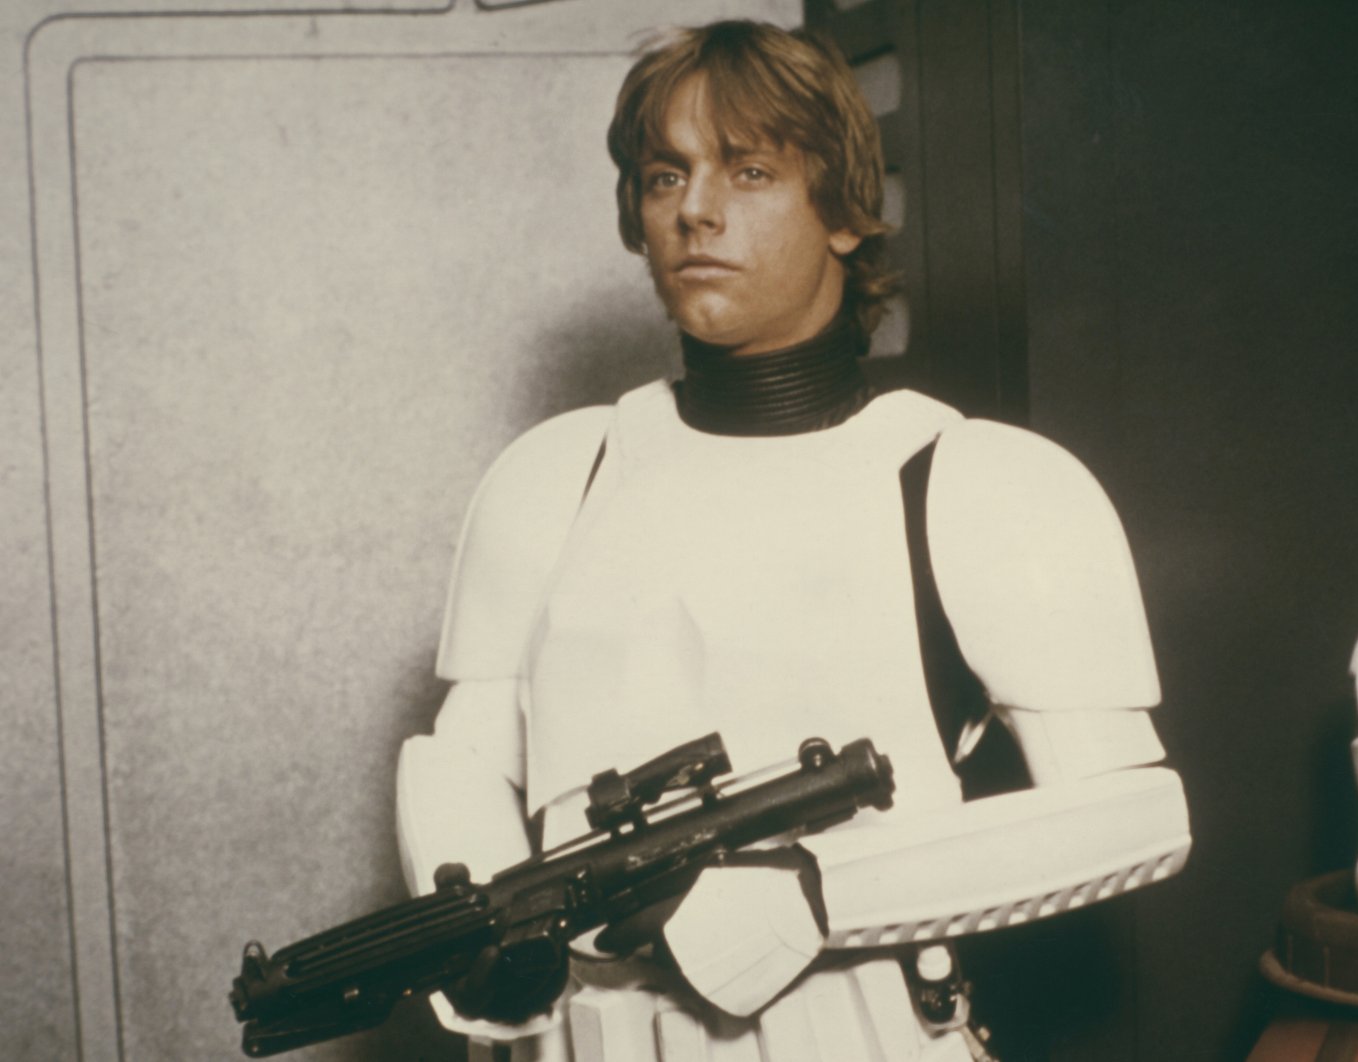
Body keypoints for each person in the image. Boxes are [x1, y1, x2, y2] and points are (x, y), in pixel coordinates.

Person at [395, 20, 1190, 1062]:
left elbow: (1133, 815)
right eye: (662, 175)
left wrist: (821, 896)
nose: (695, 209)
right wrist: (494, 947)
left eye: (751, 169)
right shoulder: (557, 479)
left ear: (849, 213)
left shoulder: (968, 483)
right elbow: (464, 760)